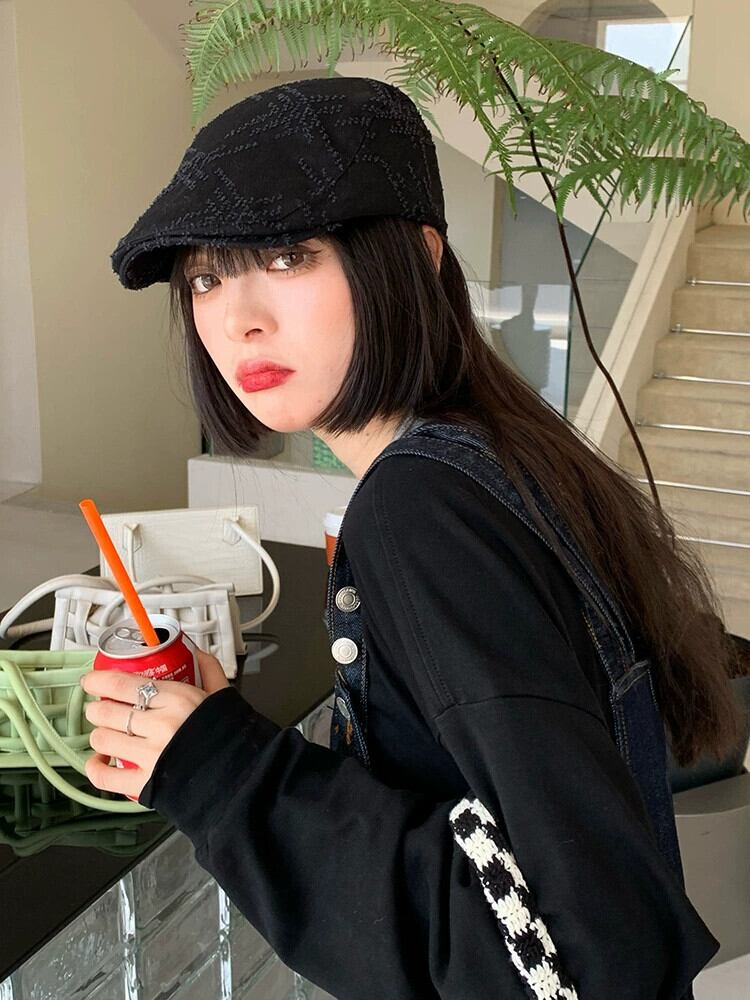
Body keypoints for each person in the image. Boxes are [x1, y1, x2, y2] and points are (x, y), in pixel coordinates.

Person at [81, 76, 742, 999]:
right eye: (205, 277)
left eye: (288, 256)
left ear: (419, 255)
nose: (238, 319)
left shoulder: (420, 507)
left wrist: (219, 770)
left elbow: (585, 950)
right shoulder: (500, 451)